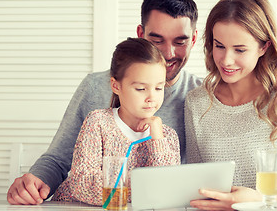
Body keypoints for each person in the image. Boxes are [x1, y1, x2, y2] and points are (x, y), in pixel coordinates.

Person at [7, 0, 277, 205]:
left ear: (193, 42)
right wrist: (36, 178)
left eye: (180, 41)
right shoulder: (99, 88)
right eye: (156, 39)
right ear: (140, 35)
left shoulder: (198, 93)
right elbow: (60, 157)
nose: (168, 53)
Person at [185, 0, 277, 210]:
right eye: (219, 46)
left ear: (264, 47)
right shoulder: (196, 102)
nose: (226, 60)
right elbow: (196, 182)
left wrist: (258, 200)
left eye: (239, 49)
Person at [50, 38, 180, 205]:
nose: (151, 97)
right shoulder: (98, 123)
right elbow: (82, 184)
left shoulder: (166, 137)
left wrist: (158, 140)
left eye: (159, 88)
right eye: (141, 89)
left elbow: (167, 191)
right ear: (116, 86)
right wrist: (146, 187)